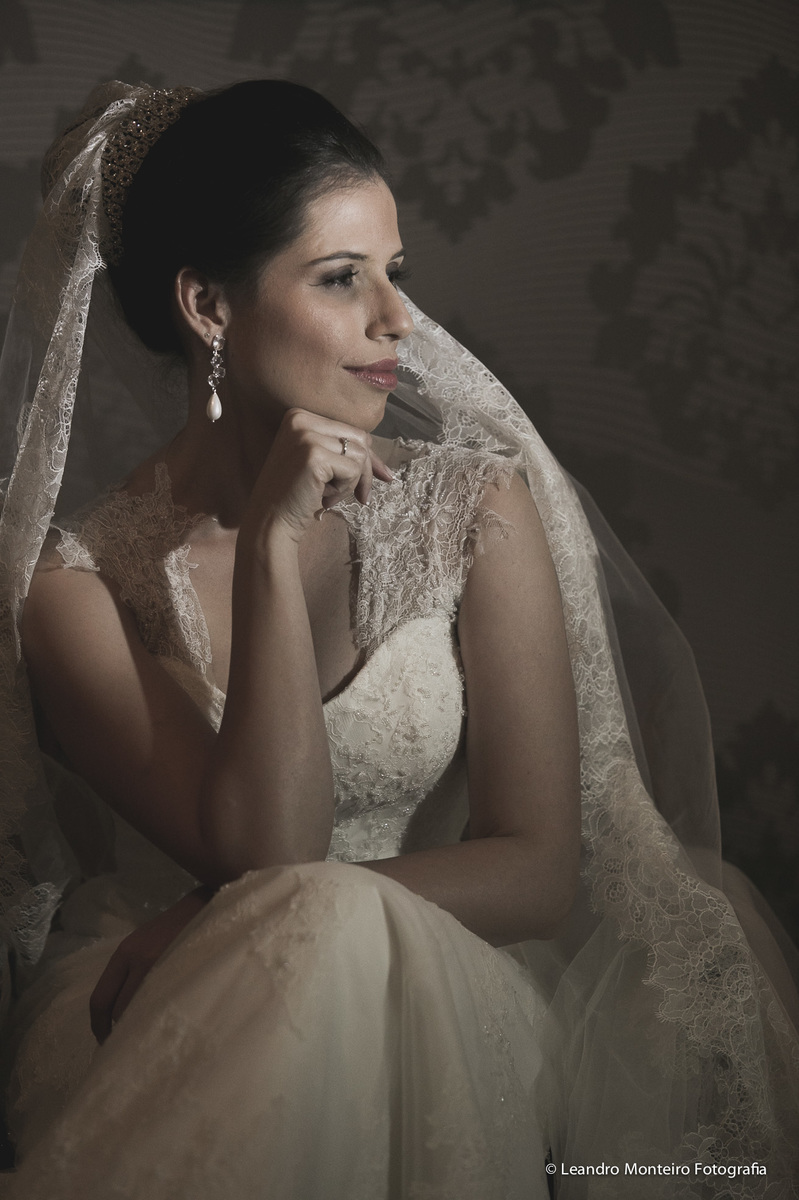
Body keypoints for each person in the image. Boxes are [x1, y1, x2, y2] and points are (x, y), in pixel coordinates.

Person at [0, 79, 796, 1199]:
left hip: (451, 997)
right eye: (341, 278)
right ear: (207, 307)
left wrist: (221, 922)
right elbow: (269, 857)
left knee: (327, 939)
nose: (398, 320)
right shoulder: (75, 589)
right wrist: (274, 552)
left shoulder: (474, 509)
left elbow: (535, 870)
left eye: (395, 272)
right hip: (159, 1013)